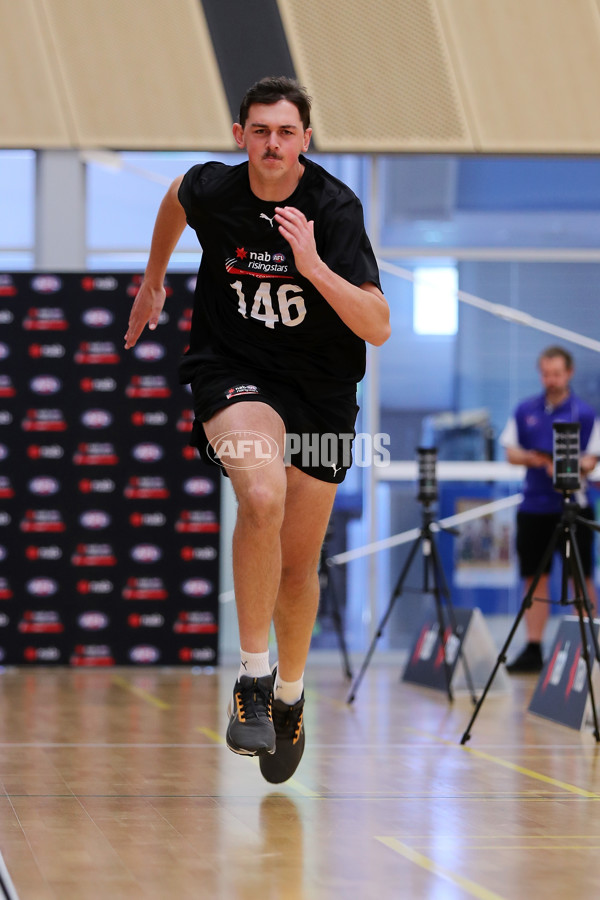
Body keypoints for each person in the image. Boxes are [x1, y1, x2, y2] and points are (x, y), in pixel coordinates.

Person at [124, 76, 390, 782]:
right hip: (234, 371)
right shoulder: (218, 189)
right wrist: (154, 279)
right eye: (260, 130)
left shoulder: (333, 209)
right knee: (261, 496)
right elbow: (177, 194)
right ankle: (252, 678)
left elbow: (378, 325)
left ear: (306, 139)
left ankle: (293, 696)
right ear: (241, 134)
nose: (273, 143)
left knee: (300, 568)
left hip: (323, 392)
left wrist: (312, 266)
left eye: (287, 131)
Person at [499, 345, 600, 673]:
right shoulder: (525, 409)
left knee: (580, 577)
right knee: (533, 577)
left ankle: (589, 647)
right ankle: (533, 648)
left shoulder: (584, 413)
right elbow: (511, 451)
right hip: (533, 508)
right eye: (546, 373)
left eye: (557, 373)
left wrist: (568, 467)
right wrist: (535, 459)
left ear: (568, 373)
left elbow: (592, 458)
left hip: (574, 507)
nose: (551, 380)